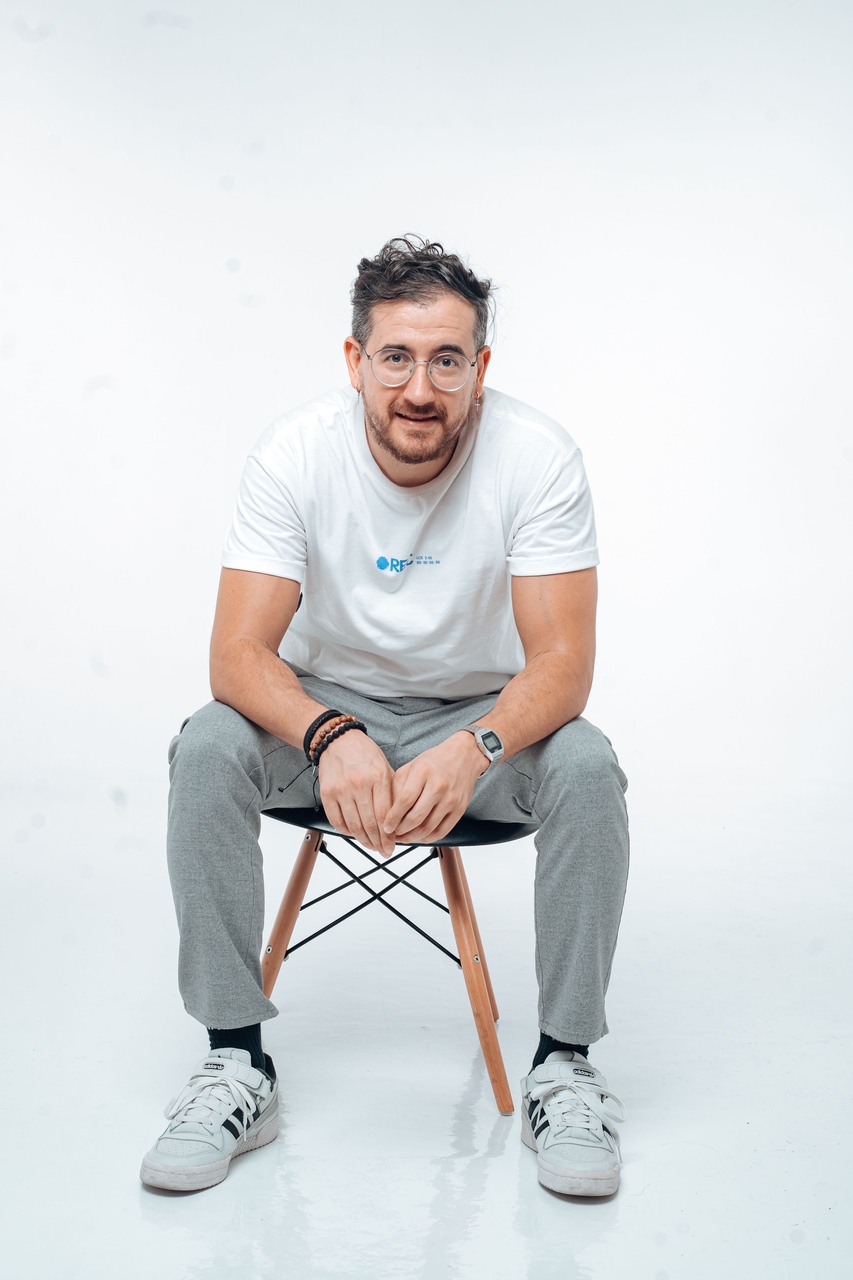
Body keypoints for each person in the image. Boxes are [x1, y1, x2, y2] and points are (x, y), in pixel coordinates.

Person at [140, 236, 629, 1198]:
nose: (419, 387)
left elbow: (563, 665)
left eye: (447, 360)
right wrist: (329, 734)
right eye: (396, 357)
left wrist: (476, 744)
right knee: (206, 746)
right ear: (355, 360)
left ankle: (565, 1068)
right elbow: (236, 655)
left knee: (585, 765)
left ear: (479, 368)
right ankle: (235, 1060)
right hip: (323, 716)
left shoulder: (536, 456)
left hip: (481, 721)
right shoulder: (295, 452)